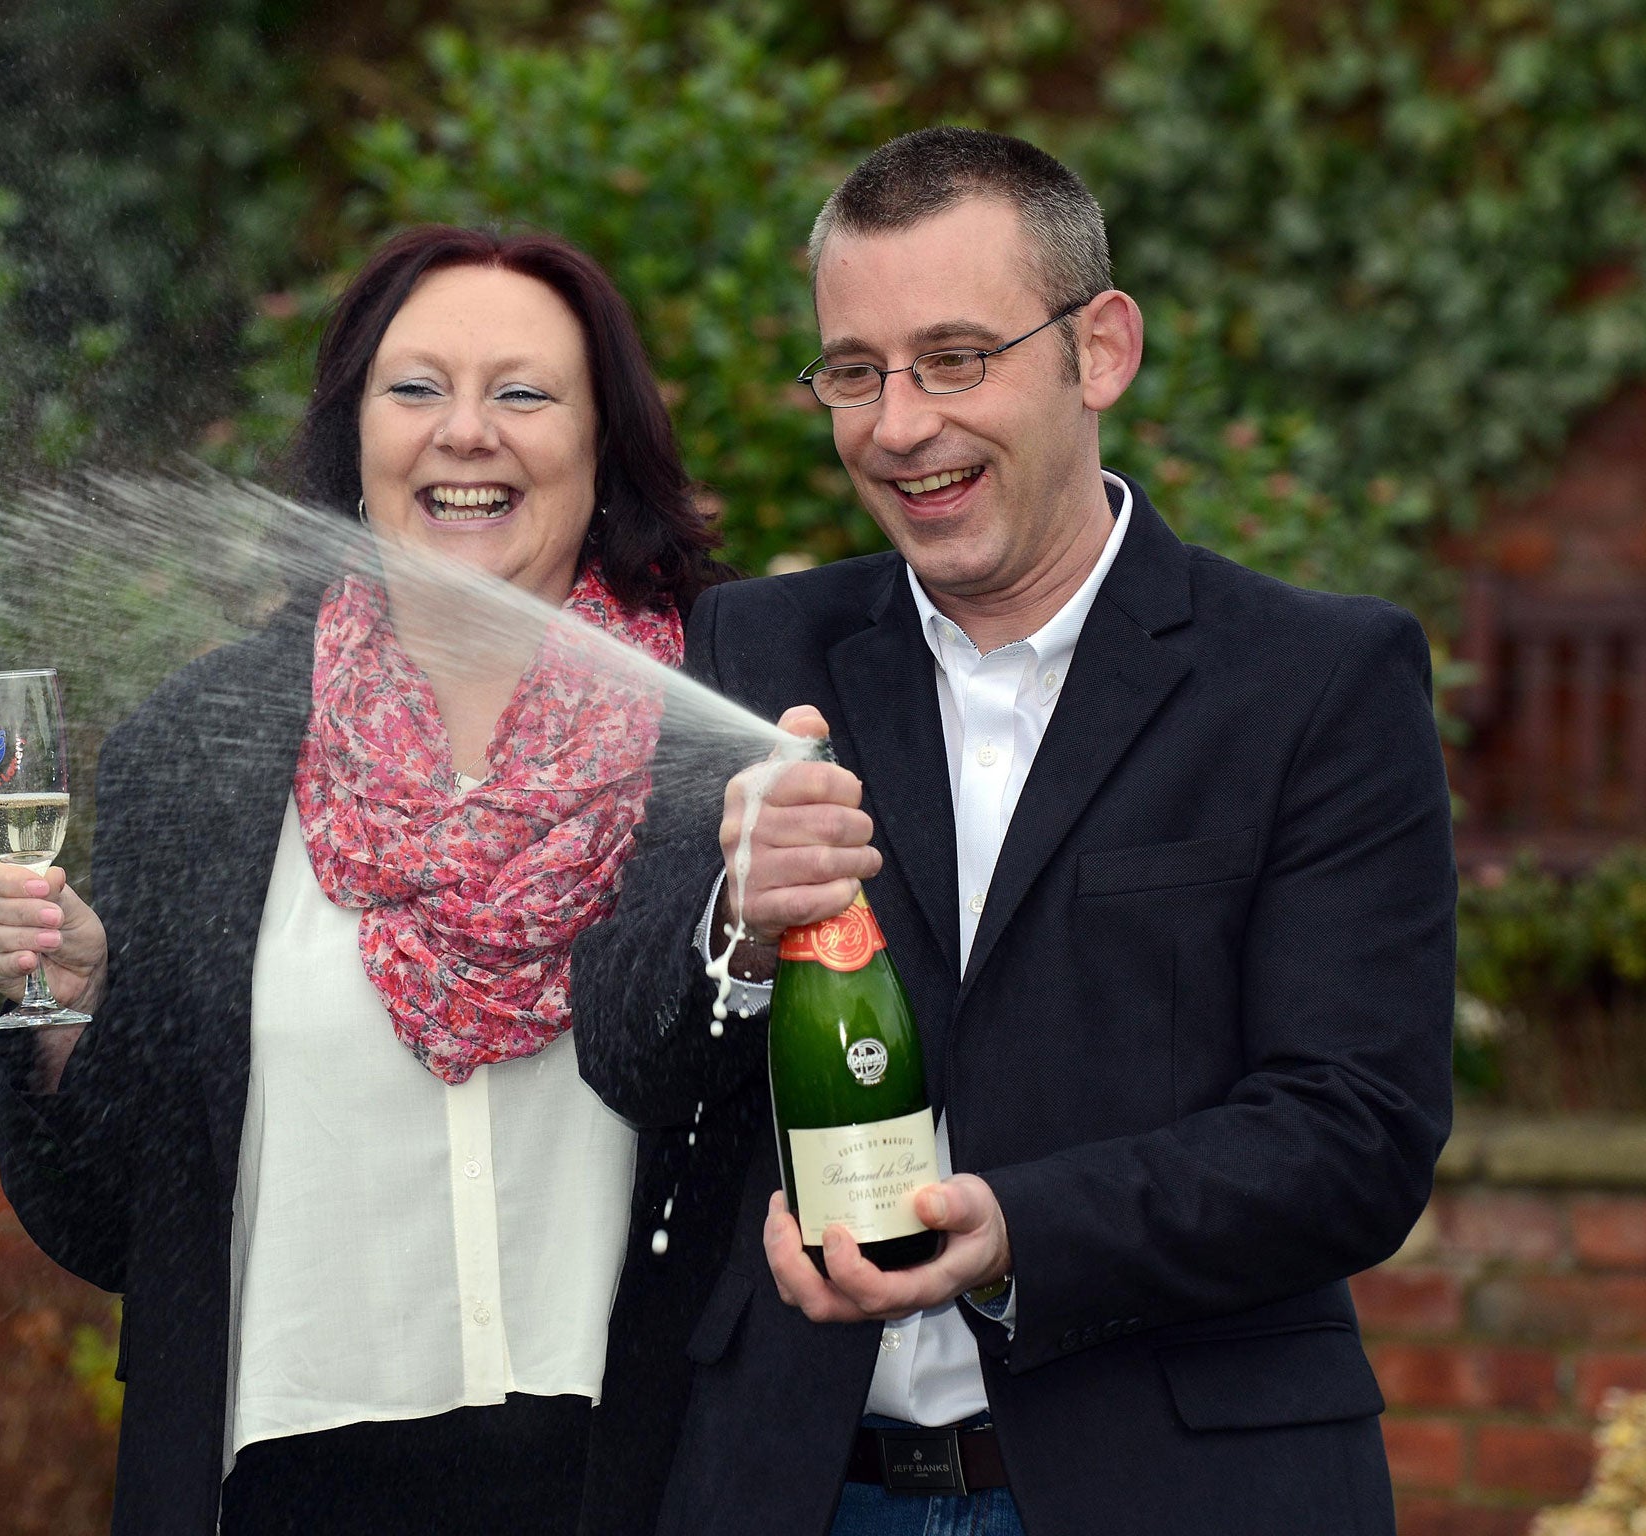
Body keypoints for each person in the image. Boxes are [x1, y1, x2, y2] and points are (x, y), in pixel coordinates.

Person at [572, 126, 1456, 1536]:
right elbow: (627, 1057)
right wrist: (732, 924)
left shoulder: (1313, 682)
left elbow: (1354, 1136)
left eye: (956, 357)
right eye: (854, 372)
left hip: (1179, 1493)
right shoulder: (755, 646)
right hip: (800, 1490)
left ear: (1100, 349)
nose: (899, 424)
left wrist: (1014, 1234)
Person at [0, 225, 726, 1536]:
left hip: (657, 1481)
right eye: (414, 389)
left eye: (524, 393)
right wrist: (66, 1006)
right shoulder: (199, 755)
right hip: (297, 1493)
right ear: (353, 447)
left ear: (605, 452)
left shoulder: (722, 723)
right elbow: (109, 1219)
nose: (464, 434)